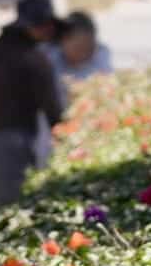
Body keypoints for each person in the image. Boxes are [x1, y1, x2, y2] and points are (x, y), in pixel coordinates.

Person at [0, 0, 65, 217]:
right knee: (13, 217)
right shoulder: (34, 60)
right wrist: (65, 141)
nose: (47, 29)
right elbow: (53, 110)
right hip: (8, 146)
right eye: (42, 24)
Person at [36, 11, 114, 164]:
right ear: (63, 41)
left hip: (90, 128)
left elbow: (105, 88)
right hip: (51, 128)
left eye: (89, 47)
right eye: (78, 47)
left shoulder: (101, 55)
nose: (84, 53)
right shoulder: (48, 57)